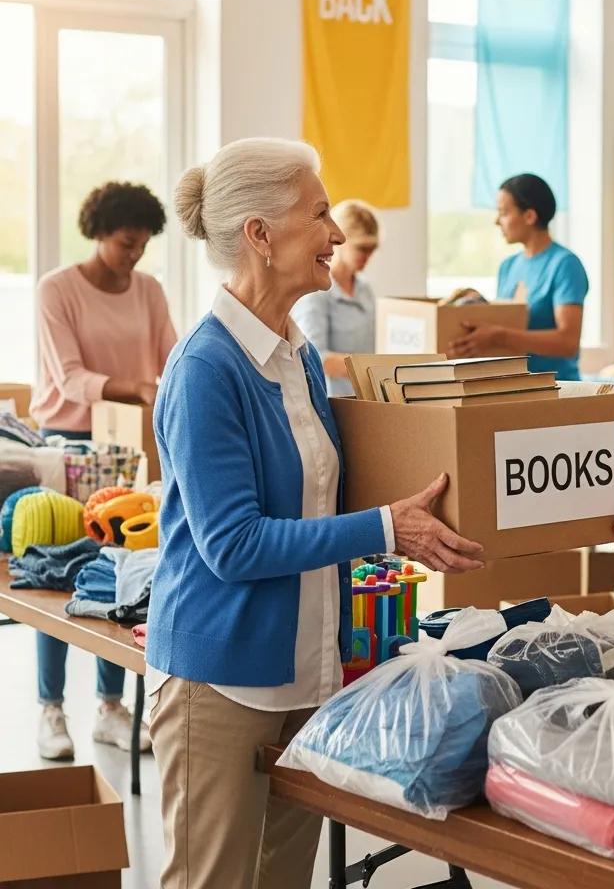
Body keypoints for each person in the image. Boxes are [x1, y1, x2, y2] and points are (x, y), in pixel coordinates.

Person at [146, 138, 484, 889]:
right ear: (259, 236)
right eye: (320, 213)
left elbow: (325, 495)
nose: (335, 234)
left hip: (303, 679)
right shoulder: (206, 368)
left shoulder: (295, 355)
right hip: (221, 685)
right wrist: (389, 529)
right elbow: (233, 545)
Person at [29, 181, 176, 761]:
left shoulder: (149, 290)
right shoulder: (56, 289)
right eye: (124, 244)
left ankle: (111, 708)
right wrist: (135, 386)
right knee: (57, 576)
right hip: (69, 445)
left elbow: (170, 358)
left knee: (123, 573)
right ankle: (50, 709)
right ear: (98, 234)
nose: (133, 255)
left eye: (141, 245)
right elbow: (68, 379)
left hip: (133, 445)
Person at [448, 173, 588, 381]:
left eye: (503, 212)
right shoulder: (508, 267)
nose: (497, 221)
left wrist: (499, 336)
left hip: (557, 390)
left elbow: (568, 342)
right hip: (513, 387)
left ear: (529, 216)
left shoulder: (564, 264)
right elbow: (511, 320)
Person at [292, 199, 379, 396]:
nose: (368, 256)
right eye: (362, 248)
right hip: (333, 404)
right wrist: (372, 368)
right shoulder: (316, 292)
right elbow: (312, 358)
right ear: (340, 240)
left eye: (372, 249)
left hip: (365, 400)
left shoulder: (365, 290)